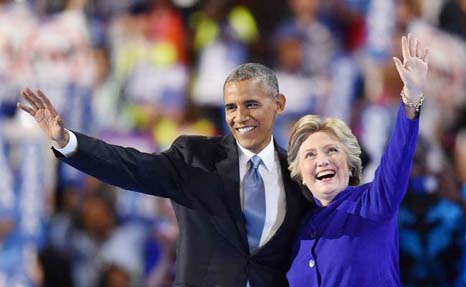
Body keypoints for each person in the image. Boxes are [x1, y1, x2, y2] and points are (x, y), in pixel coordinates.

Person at [17, 63, 308, 287]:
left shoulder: (298, 172)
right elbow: (130, 166)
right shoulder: (195, 158)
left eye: (251, 104)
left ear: (278, 104)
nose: (239, 116)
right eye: (231, 107)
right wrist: (67, 141)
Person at [285, 33, 429, 286]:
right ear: (299, 173)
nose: (322, 160)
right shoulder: (296, 227)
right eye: (310, 155)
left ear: (350, 163)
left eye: (332, 150)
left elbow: (398, 157)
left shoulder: (373, 204)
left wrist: (412, 98)